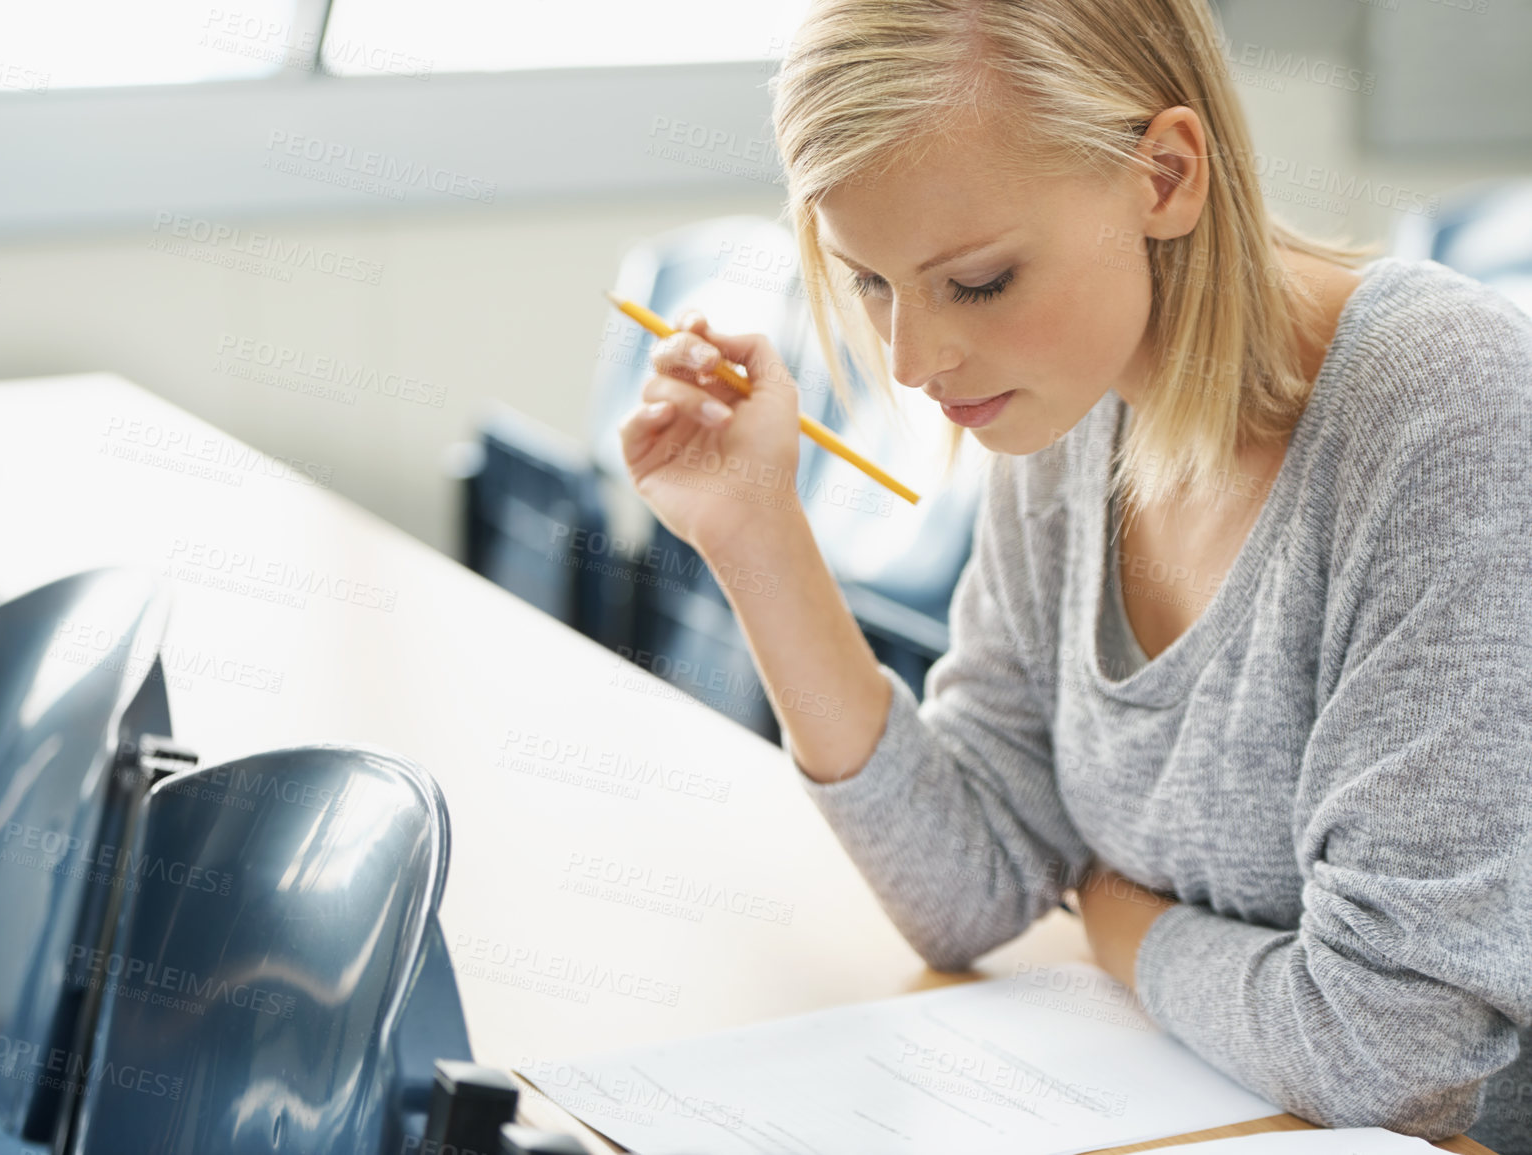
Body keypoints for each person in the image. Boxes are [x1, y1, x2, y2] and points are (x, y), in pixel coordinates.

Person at [617, 0, 1532, 1149]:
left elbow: (1394, 1054)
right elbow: (971, 885)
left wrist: (1112, 917)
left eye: (980, 282)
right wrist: (755, 536)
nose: (912, 363)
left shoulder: (1448, 405)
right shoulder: (1069, 408)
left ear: (1165, 176)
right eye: (870, 284)